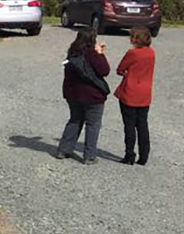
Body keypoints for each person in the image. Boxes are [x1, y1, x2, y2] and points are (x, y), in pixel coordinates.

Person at [56, 29, 111, 164]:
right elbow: (104, 70)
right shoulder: (92, 53)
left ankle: (64, 150)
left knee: (75, 120)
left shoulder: (72, 51)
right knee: (92, 124)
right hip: (93, 96)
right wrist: (100, 54)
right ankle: (89, 156)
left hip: (73, 94)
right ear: (92, 40)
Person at [116, 27, 156, 165]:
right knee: (142, 125)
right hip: (145, 92)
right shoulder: (151, 53)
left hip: (130, 91)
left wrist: (126, 72)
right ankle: (144, 155)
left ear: (135, 39)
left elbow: (120, 69)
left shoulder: (132, 53)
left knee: (129, 125)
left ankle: (129, 154)